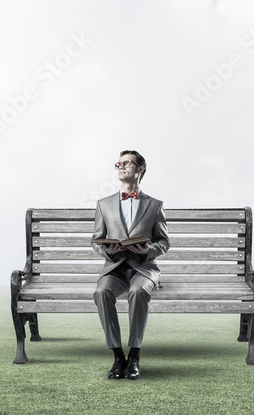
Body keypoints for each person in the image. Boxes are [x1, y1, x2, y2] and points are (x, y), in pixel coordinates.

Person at [91, 150, 170, 380]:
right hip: (114, 267)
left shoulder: (154, 205)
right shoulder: (103, 204)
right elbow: (96, 240)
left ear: (140, 169)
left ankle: (134, 356)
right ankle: (118, 357)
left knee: (137, 291)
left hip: (143, 268)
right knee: (101, 292)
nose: (121, 166)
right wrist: (106, 249)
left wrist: (148, 250)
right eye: (119, 163)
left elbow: (164, 242)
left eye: (127, 163)